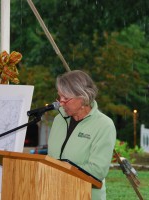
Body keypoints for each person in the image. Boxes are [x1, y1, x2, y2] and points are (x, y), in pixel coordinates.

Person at [48, 70, 116, 200]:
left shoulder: (104, 125)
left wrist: (60, 170)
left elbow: (98, 170)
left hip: (85, 196)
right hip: (54, 193)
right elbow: (50, 157)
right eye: (59, 97)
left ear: (83, 97)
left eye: (66, 98)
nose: (61, 103)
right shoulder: (58, 120)